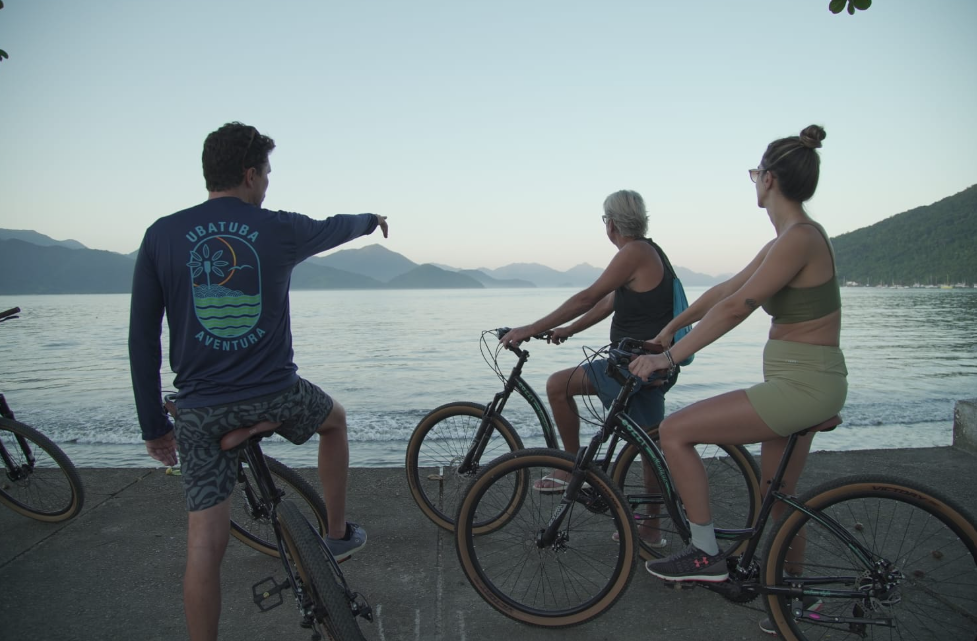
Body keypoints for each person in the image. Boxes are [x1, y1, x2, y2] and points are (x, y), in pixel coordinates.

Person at [128, 121, 389, 641]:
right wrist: (371, 220)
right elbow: (334, 228)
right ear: (249, 174)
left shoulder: (161, 234)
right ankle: (337, 533)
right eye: (266, 174)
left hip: (201, 411)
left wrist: (154, 427)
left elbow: (142, 339)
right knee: (335, 422)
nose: (268, 184)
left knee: (204, 545)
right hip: (277, 395)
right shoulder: (278, 228)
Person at [629, 125, 846, 617]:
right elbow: (724, 291)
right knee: (780, 497)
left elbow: (737, 307)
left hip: (802, 387)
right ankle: (798, 598)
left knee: (675, 431)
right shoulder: (788, 239)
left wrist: (668, 358)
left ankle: (705, 553)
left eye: (754, 174)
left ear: (768, 179)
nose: (754, 182)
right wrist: (671, 329)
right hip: (807, 383)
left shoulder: (799, 239)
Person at [500, 189, 679, 546]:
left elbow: (588, 297)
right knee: (646, 445)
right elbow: (610, 301)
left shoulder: (633, 252)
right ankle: (648, 524)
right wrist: (569, 330)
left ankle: (572, 470)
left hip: (634, 367)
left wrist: (528, 329)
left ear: (611, 223)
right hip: (636, 363)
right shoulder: (648, 251)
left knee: (560, 387)